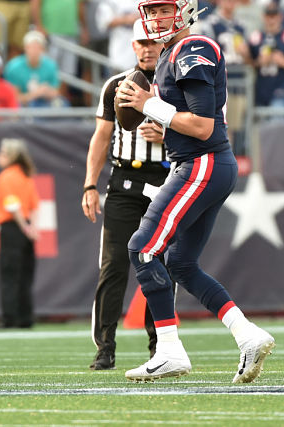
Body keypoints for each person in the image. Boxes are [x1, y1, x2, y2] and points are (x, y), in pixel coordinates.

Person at [114, 0, 274, 382]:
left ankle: (169, 350)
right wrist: (156, 119)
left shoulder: (192, 47)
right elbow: (187, 121)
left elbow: (202, 126)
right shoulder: (169, 54)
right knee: (181, 263)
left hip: (203, 161)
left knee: (144, 247)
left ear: (184, 9)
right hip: (199, 162)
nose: (156, 17)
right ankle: (248, 335)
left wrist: (152, 105)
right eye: (150, 10)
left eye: (164, 8)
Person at [82, 21, 166, 370]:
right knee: (114, 265)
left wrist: (167, 135)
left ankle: (160, 345)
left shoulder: (177, 84)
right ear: (133, 45)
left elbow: (200, 129)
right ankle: (105, 346)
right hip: (124, 182)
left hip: (166, 181)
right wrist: (89, 184)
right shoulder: (116, 85)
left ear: (163, 44)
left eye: (153, 42)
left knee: (158, 265)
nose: (147, 49)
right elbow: (101, 136)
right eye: (141, 43)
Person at [0, 138, 39, 329]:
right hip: (25, 229)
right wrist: (32, 228)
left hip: (13, 228)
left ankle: (10, 318)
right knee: (24, 275)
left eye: (2, 153)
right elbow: (35, 206)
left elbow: (12, 205)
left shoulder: (7, 176)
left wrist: (24, 227)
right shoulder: (25, 176)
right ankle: (25, 317)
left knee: (10, 274)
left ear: (10, 156)